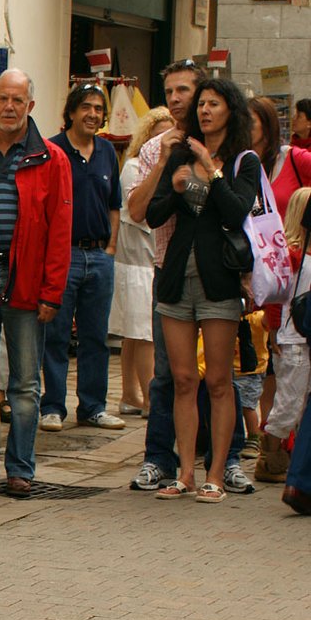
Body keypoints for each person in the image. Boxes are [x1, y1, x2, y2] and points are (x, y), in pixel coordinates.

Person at [0, 68, 72, 498]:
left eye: (17, 101)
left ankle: (20, 467)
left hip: (25, 276)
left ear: (31, 107)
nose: (8, 107)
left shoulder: (51, 158)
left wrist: (52, 291)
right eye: (2, 98)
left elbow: (61, 228)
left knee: (24, 382)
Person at [147, 78, 260, 504]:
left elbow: (235, 211)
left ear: (231, 110)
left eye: (214, 104)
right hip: (178, 279)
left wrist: (208, 171)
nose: (206, 111)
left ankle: (216, 473)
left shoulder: (241, 162)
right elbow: (155, 214)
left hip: (219, 281)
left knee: (217, 380)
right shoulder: (178, 154)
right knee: (181, 379)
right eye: (202, 105)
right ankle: (185, 473)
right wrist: (176, 186)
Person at [125, 59, 205, 491]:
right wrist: (165, 155)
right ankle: (158, 458)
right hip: (168, 271)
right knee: (167, 374)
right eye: (170, 91)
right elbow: (138, 212)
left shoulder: (219, 142)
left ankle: (218, 458)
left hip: (213, 274)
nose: (175, 99)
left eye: (184, 91)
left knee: (214, 375)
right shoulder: (155, 147)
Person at [40, 84, 125, 432]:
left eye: (98, 108)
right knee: (56, 335)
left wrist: (110, 249)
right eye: (86, 107)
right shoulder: (51, 150)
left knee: (95, 336)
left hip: (99, 255)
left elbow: (114, 205)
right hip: (64, 256)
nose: (93, 114)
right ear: (71, 112)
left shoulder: (106, 151)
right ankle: (54, 407)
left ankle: (92, 406)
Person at [111, 107, 173, 416]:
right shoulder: (134, 167)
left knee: (136, 332)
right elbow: (141, 214)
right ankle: (148, 397)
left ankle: (129, 395)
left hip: (151, 259)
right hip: (136, 259)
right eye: (157, 133)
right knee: (141, 332)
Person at [258, 187, 311, 483]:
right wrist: (276, 332)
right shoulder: (291, 256)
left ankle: (292, 457)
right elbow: (277, 298)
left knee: (302, 403)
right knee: (290, 400)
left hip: (303, 336)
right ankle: (271, 453)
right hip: (293, 338)